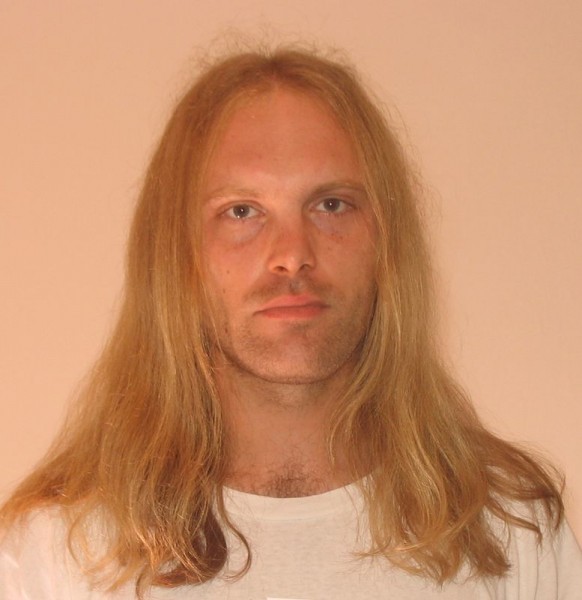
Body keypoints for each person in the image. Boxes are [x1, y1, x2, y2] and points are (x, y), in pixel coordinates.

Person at [1, 46, 581, 599]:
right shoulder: (53, 552)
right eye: (242, 211)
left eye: (331, 204)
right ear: (176, 255)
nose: (292, 254)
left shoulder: (510, 530)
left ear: (386, 243)